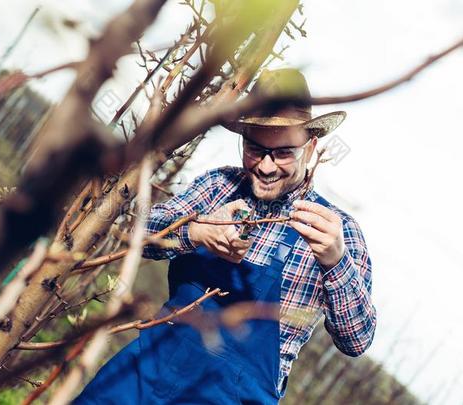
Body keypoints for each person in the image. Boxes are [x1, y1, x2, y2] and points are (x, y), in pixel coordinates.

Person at [74, 68, 376, 404]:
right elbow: (133, 231)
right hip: (145, 376)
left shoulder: (338, 231)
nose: (265, 166)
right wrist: (195, 232)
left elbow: (357, 340)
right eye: (255, 148)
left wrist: (336, 262)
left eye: (283, 153)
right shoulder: (219, 186)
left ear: (311, 145)